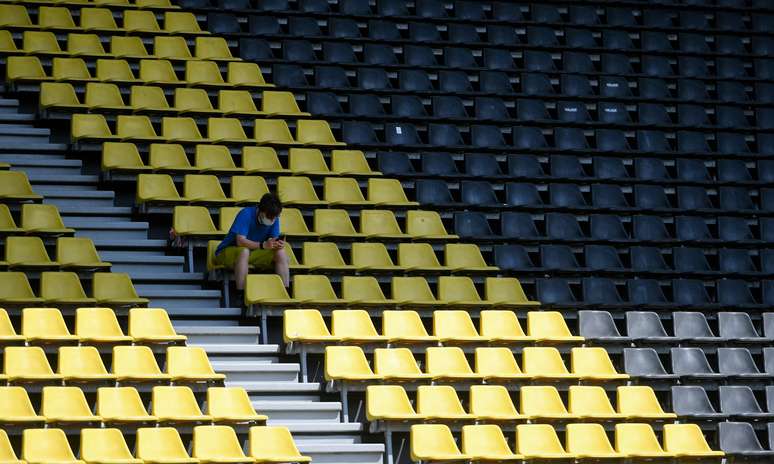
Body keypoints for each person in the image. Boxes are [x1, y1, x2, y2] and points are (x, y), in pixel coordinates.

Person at [214, 193, 289, 297]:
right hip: (228, 252)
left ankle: (284, 293)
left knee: (280, 253)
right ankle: (241, 294)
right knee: (244, 251)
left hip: (253, 253)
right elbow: (240, 241)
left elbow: (272, 239)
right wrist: (263, 245)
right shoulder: (246, 214)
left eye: (275, 217)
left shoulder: (274, 218)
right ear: (261, 210)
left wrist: (277, 244)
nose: (272, 220)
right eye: (269, 217)